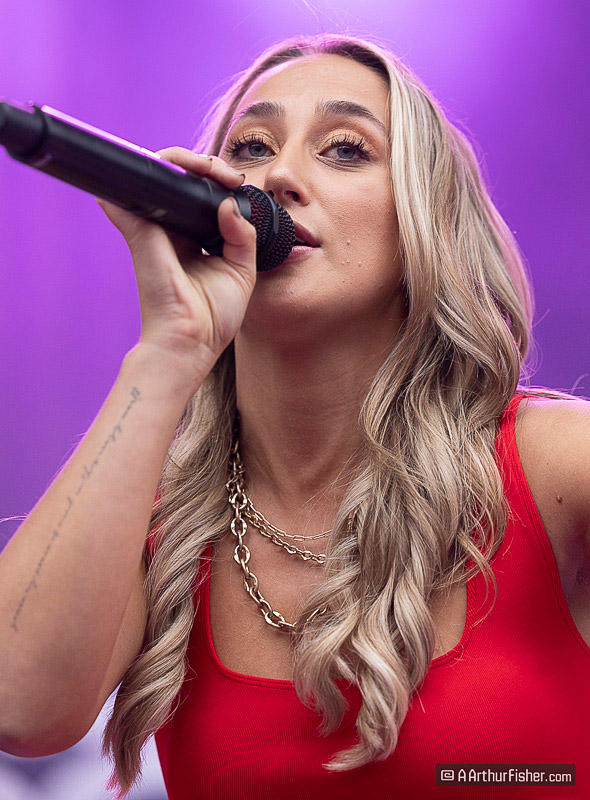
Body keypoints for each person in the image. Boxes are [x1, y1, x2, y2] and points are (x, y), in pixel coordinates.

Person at [0, 33, 588, 800]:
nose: (277, 175)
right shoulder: (159, 531)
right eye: (251, 147)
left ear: (425, 222)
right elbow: (19, 708)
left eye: (345, 149)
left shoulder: (549, 466)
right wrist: (168, 352)